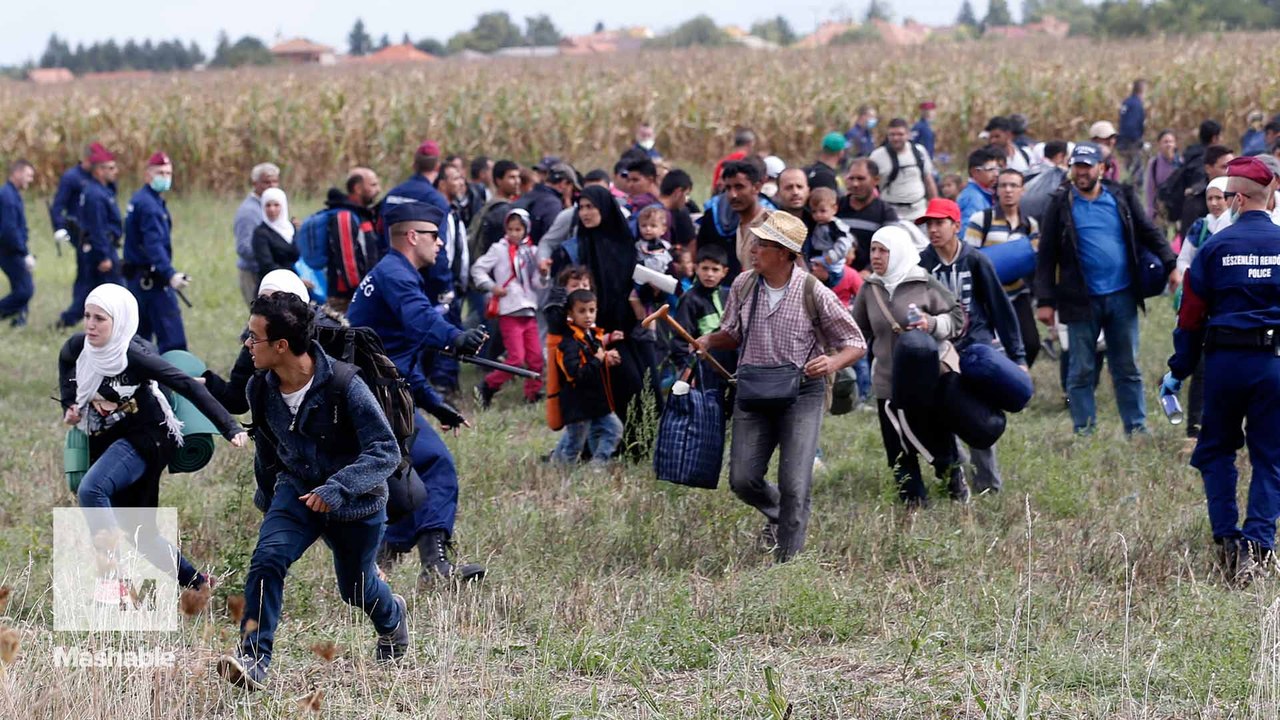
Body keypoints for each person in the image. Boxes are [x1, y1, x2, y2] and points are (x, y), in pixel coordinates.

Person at [217, 292, 406, 691]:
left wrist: (338, 488)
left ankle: (392, 618)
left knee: (356, 589)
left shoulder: (344, 385)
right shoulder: (259, 388)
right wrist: (269, 500)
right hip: (296, 491)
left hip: (356, 504)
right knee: (268, 559)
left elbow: (385, 450)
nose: (247, 344)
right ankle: (254, 660)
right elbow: (268, 449)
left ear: (281, 345)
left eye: (254, 337)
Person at [58, 284, 246, 604]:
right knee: (139, 534)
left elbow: (187, 385)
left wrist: (228, 427)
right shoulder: (80, 346)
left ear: (120, 321)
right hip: (109, 436)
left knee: (92, 490)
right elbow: (66, 362)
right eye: (87, 316)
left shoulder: (134, 356)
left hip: (148, 436)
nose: (90, 324)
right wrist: (70, 404)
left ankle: (114, 584)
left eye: (100, 319)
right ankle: (199, 583)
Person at [694, 211, 865, 561]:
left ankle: (787, 562)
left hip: (801, 392)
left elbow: (855, 342)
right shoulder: (743, 285)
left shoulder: (813, 291)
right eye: (754, 242)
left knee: (795, 483)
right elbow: (732, 334)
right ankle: (781, 515)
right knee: (742, 479)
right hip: (753, 390)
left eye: (762, 244)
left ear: (785, 253)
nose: (753, 249)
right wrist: (710, 340)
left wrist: (831, 363)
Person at [345, 202, 488, 584]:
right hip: (376, 398)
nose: (440, 243)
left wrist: (435, 406)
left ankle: (380, 563)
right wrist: (455, 337)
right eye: (434, 235)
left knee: (407, 478)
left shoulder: (393, 272)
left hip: (380, 394)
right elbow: (421, 318)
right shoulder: (396, 274)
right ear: (412, 236)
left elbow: (399, 360)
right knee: (435, 465)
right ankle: (434, 567)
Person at [1165, 155, 1280, 584]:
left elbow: (1190, 316)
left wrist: (1179, 368)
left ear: (1237, 199)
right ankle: (1259, 546)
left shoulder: (1215, 247)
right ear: (1269, 198)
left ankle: (1228, 542)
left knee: (1216, 451)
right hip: (1274, 364)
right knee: (1271, 456)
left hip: (1225, 364)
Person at [1035, 142, 1175, 436]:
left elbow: (1149, 232)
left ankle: (1136, 428)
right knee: (1081, 369)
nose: (1082, 172)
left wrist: (1171, 264)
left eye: (1087, 167)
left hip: (1122, 296)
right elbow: (1046, 255)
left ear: (1101, 168)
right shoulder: (1060, 203)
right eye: (1077, 166)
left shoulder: (1121, 196)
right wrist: (1045, 300)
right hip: (1079, 299)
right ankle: (1084, 430)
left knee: (1127, 367)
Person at [852, 225, 967, 506]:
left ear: (899, 252)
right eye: (873, 250)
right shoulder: (870, 288)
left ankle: (952, 478)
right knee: (896, 444)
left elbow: (957, 317)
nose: (876, 256)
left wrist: (932, 323)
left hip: (925, 379)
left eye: (883, 251)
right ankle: (912, 500)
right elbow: (857, 330)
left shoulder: (923, 282)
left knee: (933, 434)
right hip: (886, 379)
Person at [918, 198, 1026, 495]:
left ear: (956, 225)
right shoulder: (922, 263)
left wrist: (1017, 356)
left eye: (939, 223)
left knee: (977, 414)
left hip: (976, 347)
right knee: (945, 410)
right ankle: (957, 475)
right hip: (940, 349)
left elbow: (1000, 307)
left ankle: (988, 484)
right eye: (929, 224)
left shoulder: (976, 260)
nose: (933, 230)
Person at [1169, 176, 1232, 441]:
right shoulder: (1200, 227)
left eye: (1220, 197)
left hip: (1226, 307)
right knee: (1200, 367)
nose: (1215, 203)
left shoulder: (1236, 226)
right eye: (1210, 198)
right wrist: (1197, 280)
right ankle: (1195, 427)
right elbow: (1184, 260)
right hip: (1202, 306)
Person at [471, 209, 549, 406]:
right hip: (510, 310)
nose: (514, 233)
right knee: (516, 359)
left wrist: (543, 274)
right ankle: (488, 385)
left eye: (518, 229)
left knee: (536, 357)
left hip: (529, 309)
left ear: (526, 229)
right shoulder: (499, 249)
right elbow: (478, 269)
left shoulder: (532, 251)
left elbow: (537, 283)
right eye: (510, 229)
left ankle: (532, 394)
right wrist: (492, 286)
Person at [965, 168, 1042, 367]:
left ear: (1022, 190)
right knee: (991, 349)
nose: (1008, 190)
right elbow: (968, 259)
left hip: (1018, 294)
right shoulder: (981, 220)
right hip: (987, 297)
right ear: (996, 190)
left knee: (1031, 343)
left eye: (1014, 185)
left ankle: (1017, 377)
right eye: (1003, 185)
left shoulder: (1030, 224)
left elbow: (1034, 258)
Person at [123, 152, 189, 354]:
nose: (165, 177)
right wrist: (170, 274)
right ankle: (174, 375)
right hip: (152, 281)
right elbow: (153, 245)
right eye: (160, 173)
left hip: (137, 279)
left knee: (139, 342)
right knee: (173, 341)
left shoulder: (142, 199)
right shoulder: (149, 206)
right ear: (147, 175)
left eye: (168, 173)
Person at [550, 289, 625, 464]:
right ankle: (559, 472)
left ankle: (597, 466)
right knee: (574, 445)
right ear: (570, 313)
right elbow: (575, 374)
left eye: (592, 310)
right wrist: (598, 360)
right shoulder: (569, 342)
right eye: (582, 311)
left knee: (614, 430)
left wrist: (606, 359)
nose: (588, 316)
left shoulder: (591, 334)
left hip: (596, 402)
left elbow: (593, 359)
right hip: (578, 404)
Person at [59, 144, 123, 329]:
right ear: (99, 171)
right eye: (110, 168)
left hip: (102, 247)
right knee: (118, 292)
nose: (115, 171)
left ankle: (65, 321)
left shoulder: (103, 190)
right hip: (101, 250)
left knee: (89, 292)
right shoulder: (95, 195)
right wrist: (103, 256)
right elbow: (97, 227)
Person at [694, 160, 770, 277]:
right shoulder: (739, 225)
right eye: (728, 188)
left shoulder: (772, 224)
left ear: (756, 187)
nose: (733, 195)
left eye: (739, 187)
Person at [837, 158, 900, 276]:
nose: (855, 184)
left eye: (861, 179)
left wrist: (869, 271)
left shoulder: (886, 213)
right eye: (851, 178)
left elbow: (892, 249)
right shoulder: (835, 207)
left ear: (876, 180)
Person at [870, 118, 939, 221]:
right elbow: (869, 184)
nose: (896, 138)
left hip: (919, 212)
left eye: (900, 134)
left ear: (908, 135)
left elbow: (928, 180)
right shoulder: (877, 156)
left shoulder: (919, 152)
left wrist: (936, 208)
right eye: (892, 135)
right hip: (890, 213)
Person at [233, 163, 281, 305]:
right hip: (253, 274)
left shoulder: (273, 205)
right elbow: (244, 248)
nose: (272, 186)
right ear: (255, 183)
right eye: (267, 182)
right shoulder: (249, 212)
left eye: (275, 181)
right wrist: (268, 255)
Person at [0, 159, 36, 327]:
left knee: (21, 287)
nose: (31, 179)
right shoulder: (7, 196)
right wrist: (23, 253)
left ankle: (19, 322)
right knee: (25, 290)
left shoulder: (13, 194)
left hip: (14, 249)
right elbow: (9, 229)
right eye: (28, 175)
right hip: (9, 251)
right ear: (17, 173)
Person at [50, 144, 102, 253]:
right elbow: (58, 205)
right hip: (80, 230)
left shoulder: (99, 177)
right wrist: (60, 227)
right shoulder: (71, 177)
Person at [1180, 145, 1235, 240]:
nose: (1229, 171)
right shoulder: (1195, 200)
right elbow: (1188, 239)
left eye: (1232, 167)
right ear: (1208, 169)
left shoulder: (1241, 196)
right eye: (1224, 167)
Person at [803, 187, 852, 289]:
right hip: (822, 257)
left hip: (832, 264)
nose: (818, 215)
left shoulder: (835, 226)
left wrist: (832, 257)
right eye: (814, 211)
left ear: (834, 209)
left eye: (823, 211)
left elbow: (845, 242)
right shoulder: (819, 224)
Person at [251, 188, 298, 281]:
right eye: (268, 205)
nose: (272, 209)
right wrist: (294, 278)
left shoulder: (292, 228)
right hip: (274, 283)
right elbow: (267, 265)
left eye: (276, 205)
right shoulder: (261, 233)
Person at [1144, 130, 1181, 223]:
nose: (1168, 145)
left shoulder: (1181, 163)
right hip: (1160, 209)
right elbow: (1150, 189)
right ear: (1159, 144)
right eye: (1165, 142)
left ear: (1175, 144)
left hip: (1178, 209)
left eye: (1171, 142)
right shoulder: (1154, 163)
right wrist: (1151, 211)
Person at [957, 148, 999, 225]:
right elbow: (967, 229)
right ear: (975, 172)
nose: (996, 174)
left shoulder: (985, 193)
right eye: (991, 170)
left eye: (997, 169)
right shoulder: (972, 198)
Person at [659, 169, 697, 247]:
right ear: (678, 192)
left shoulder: (647, 207)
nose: (686, 200)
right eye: (686, 194)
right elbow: (691, 245)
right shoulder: (681, 213)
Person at [1117, 79, 1147, 175]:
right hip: (1131, 142)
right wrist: (1138, 140)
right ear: (1142, 90)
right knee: (1136, 172)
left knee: (1128, 169)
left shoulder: (1127, 102)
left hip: (1122, 140)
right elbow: (1131, 125)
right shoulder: (1136, 105)